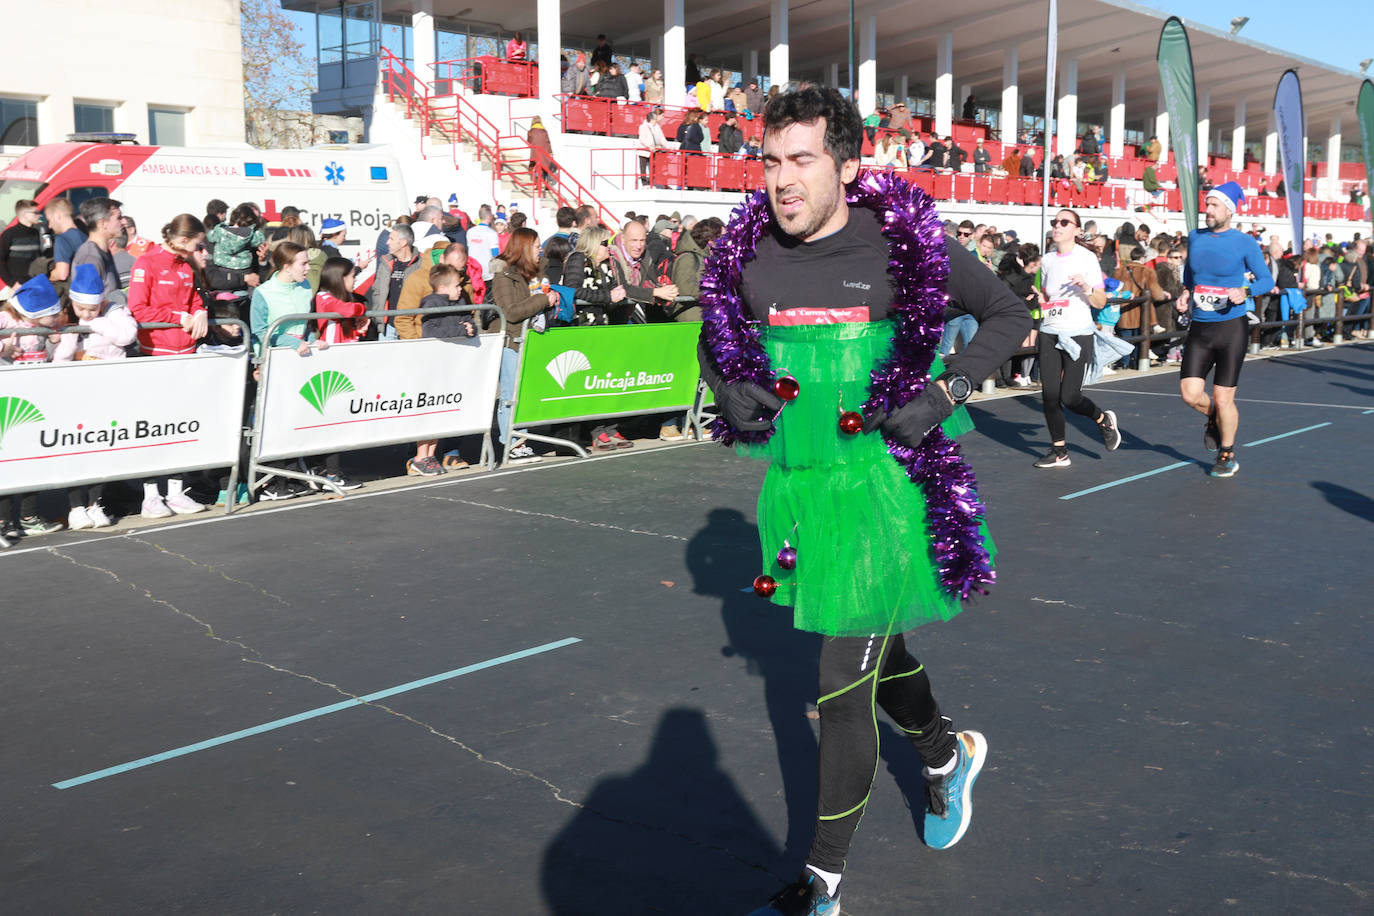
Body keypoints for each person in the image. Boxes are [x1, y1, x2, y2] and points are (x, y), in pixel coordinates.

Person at [696, 86, 1027, 916]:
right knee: (881, 660)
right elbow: (713, 331)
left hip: (889, 489)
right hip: (803, 491)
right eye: (770, 162)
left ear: (845, 166)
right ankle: (947, 754)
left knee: (842, 679)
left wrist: (947, 392)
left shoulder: (901, 243)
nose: (782, 181)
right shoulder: (750, 255)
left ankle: (822, 882)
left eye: (801, 160)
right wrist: (725, 387)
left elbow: (1006, 312)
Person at [1178, 182, 1274, 479]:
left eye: (1214, 205)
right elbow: (1191, 274)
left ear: (1229, 211)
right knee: (1190, 394)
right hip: (1201, 327)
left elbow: (1266, 280)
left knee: (1223, 397)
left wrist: (1245, 290)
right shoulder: (1195, 237)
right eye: (1206, 204)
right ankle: (1214, 419)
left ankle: (1227, 453)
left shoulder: (1244, 242)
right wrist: (1185, 291)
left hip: (1231, 327)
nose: (1207, 210)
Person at [1032, 208, 1122, 468]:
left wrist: (1086, 287)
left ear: (1076, 230)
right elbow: (1051, 299)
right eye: (1055, 222)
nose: (1057, 226)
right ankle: (1059, 452)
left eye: (1063, 222)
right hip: (1050, 331)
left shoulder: (1086, 258)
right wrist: (1043, 302)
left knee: (1069, 397)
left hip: (1078, 333)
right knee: (1049, 395)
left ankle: (1103, 420)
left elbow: (1100, 300)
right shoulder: (1047, 260)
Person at [52, 264, 136, 528]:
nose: (87, 314)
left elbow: (126, 335)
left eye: (92, 308)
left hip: (108, 389)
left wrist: (96, 323)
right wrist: (69, 341)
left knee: (101, 447)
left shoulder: (114, 312)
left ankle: (94, 503)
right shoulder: (69, 319)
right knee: (76, 448)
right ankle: (76, 507)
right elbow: (61, 359)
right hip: (77, 393)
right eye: (82, 309)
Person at [488, 228, 562, 463]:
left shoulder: (537, 272)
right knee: (510, 394)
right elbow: (511, 312)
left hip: (533, 340)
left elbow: (541, 296)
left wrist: (552, 297)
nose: (540, 250)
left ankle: (523, 440)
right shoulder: (503, 276)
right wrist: (542, 300)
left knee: (525, 393)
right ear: (524, 248)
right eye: (536, 246)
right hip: (513, 341)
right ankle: (512, 443)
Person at [208, 203, 266, 291]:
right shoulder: (252, 234)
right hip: (245, 271)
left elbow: (209, 236)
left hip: (223, 272)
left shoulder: (219, 232)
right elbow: (261, 240)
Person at [0, 198, 43, 294]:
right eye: (35, 212)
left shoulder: (37, 232)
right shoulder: (9, 234)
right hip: (18, 287)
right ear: (24, 215)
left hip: (35, 284)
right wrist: (12, 283)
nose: (39, 215)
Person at [44, 198, 87, 285]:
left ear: (58, 216)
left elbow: (62, 274)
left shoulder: (63, 239)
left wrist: (46, 276)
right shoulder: (85, 235)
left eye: (49, 220)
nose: (50, 226)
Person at [637, 108, 669, 187]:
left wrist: (669, 146)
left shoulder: (656, 127)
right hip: (644, 151)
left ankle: (651, 182)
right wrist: (649, 146)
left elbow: (662, 138)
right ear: (651, 119)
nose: (656, 121)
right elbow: (642, 138)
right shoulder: (643, 127)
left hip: (653, 151)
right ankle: (644, 183)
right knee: (643, 168)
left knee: (653, 167)